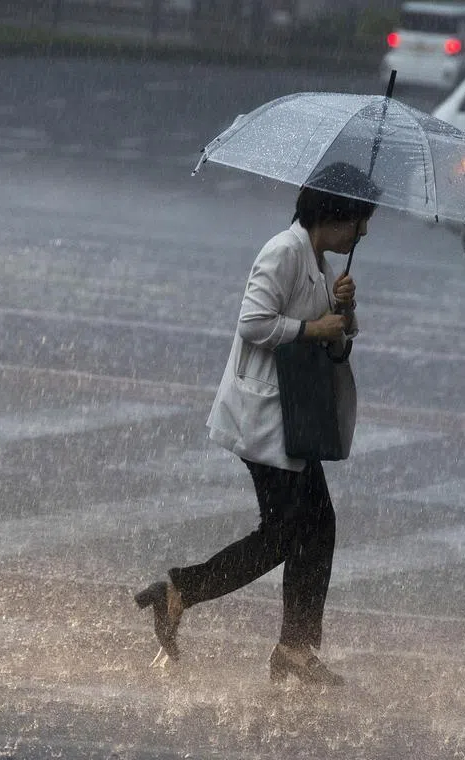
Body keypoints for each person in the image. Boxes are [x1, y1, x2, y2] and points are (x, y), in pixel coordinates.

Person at [135, 162, 379, 687]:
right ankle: (180, 592)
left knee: (316, 528)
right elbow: (253, 323)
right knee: (286, 533)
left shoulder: (313, 260)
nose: (364, 231)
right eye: (359, 220)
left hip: (294, 416)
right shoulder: (284, 251)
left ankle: (294, 645)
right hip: (266, 417)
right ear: (332, 216)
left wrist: (344, 313)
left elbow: (332, 339)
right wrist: (314, 326)